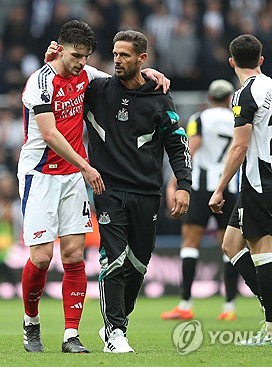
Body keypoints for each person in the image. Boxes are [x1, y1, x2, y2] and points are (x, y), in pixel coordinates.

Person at [19, 20, 169, 354]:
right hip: (40, 175)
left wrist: (151, 72)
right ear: (60, 49)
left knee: (74, 254)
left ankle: (71, 334)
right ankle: (31, 322)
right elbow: (50, 134)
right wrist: (87, 166)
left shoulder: (86, 75)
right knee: (42, 258)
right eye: (76, 56)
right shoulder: (40, 83)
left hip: (73, 176)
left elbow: (125, 76)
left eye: (86, 57)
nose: (81, 63)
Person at [83, 30, 192, 353]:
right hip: (108, 189)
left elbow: (177, 144)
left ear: (142, 59)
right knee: (113, 260)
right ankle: (115, 331)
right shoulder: (98, 90)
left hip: (147, 193)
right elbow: (66, 76)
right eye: (115, 54)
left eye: (125, 55)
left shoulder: (159, 97)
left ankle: (117, 322)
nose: (117, 60)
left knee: (138, 263)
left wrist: (184, 185)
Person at [208, 34, 272, 346]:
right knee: (231, 245)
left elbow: (240, 146)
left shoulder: (243, 96)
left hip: (258, 183)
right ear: (261, 60)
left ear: (231, 61)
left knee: (262, 252)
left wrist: (219, 189)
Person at [160, 79, 241, 322]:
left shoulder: (199, 118)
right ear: (229, 99)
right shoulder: (237, 119)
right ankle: (229, 306)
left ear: (210, 97)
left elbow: (190, 149)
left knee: (190, 243)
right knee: (229, 246)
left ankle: (185, 303)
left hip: (201, 187)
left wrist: (174, 182)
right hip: (229, 187)